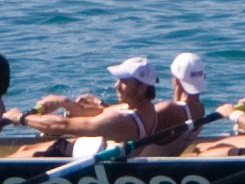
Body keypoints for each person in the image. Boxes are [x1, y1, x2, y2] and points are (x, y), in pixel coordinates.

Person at [18, 57, 167, 155]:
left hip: (80, 160)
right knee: (25, 148)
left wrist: (21, 118)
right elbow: (101, 113)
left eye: (124, 82)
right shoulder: (143, 109)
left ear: (142, 88)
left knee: (24, 152)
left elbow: (62, 125)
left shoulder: (124, 121)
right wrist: (64, 102)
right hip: (85, 148)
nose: (117, 85)